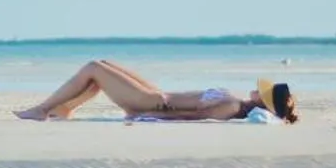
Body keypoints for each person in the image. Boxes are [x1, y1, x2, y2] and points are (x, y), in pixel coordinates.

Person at [16, 60, 298, 122]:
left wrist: (144, 115)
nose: (257, 89)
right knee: (101, 65)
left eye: (263, 91)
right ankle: (64, 108)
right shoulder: (236, 103)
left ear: (264, 101)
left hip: (151, 102)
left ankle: (42, 110)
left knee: (93, 68)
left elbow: (192, 118)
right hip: (156, 96)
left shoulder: (233, 108)